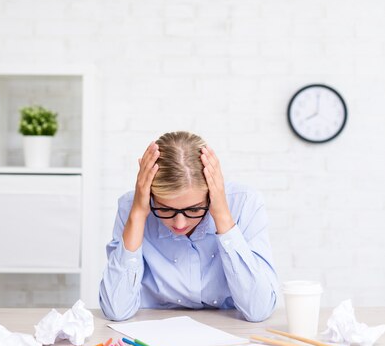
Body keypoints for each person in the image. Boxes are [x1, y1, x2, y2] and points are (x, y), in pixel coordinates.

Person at [99, 131, 278, 322]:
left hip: (229, 330)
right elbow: (116, 310)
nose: (179, 223)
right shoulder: (132, 208)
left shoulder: (244, 203)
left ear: (210, 195)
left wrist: (222, 215)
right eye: (165, 209)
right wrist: (137, 215)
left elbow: (260, 310)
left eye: (194, 210)